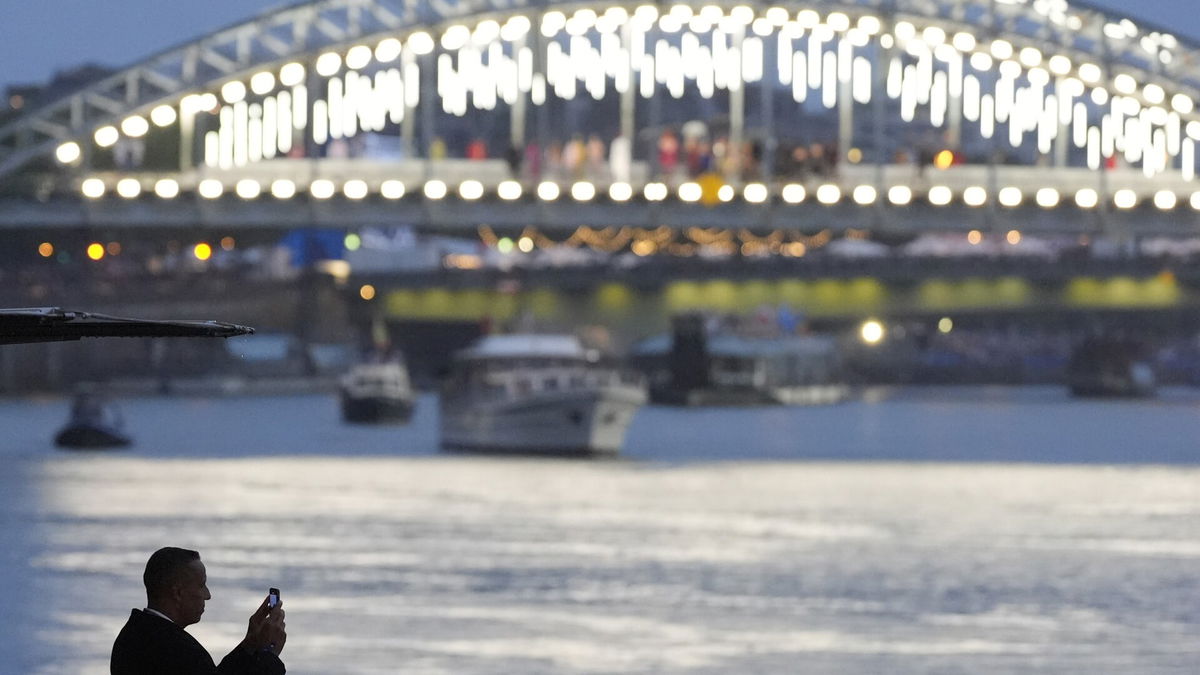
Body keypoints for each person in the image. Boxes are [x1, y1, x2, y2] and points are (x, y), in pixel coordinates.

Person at [111, 547, 286, 675]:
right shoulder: (176, 650)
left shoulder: (135, 634)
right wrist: (269, 654)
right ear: (178, 593)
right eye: (202, 585)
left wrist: (250, 645)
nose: (207, 595)